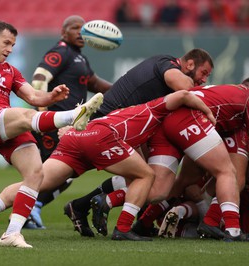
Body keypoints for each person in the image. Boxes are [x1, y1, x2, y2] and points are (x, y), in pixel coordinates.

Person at [0, 21, 104, 248]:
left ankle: (9, 232)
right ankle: (74, 116)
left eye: (13, 45)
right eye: (6, 43)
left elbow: (33, 96)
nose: (10, 49)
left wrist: (52, 96)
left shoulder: (10, 70)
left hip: (6, 124)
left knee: (36, 174)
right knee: (25, 116)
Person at [2, 89, 216, 241]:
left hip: (84, 136)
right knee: (147, 177)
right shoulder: (156, 109)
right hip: (100, 140)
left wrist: (73, 132)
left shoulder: (132, 113)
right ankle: (122, 227)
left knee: (39, 182)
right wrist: (207, 112)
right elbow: (184, 95)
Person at [61, 48, 213, 237]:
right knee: (144, 178)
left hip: (124, 126)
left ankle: (83, 207)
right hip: (111, 124)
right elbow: (184, 86)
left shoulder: (162, 62)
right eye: (203, 73)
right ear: (189, 64)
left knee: (142, 176)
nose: (204, 79)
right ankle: (99, 209)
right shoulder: (168, 64)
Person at [92, 81, 249, 241]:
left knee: (158, 191)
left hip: (167, 123)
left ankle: (113, 206)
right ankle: (232, 230)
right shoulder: (245, 96)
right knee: (227, 172)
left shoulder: (224, 90)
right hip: (190, 119)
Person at [25, 15, 112, 229]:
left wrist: (129, 88)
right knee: (60, 171)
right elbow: (39, 78)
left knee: (66, 172)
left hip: (68, 126)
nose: (81, 33)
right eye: (75, 28)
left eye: (84, 29)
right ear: (64, 32)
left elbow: (95, 83)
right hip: (54, 123)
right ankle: (28, 208)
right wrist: (42, 113)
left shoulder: (79, 58)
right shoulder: (61, 51)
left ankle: (31, 208)